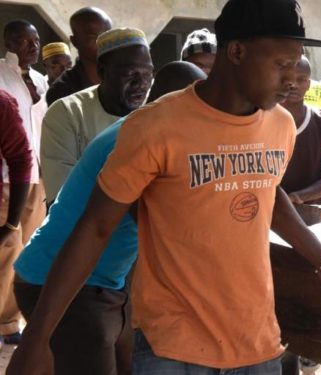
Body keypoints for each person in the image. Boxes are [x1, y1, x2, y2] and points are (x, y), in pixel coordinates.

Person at [7, 1, 321, 374]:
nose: (294, 78)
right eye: (282, 64)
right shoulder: (151, 129)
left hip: (254, 341)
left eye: (298, 63)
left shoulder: (280, 126)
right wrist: (39, 337)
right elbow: (97, 227)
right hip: (167, 344)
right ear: (236, 51)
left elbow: (266, 193)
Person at [12, 61, 205, 375]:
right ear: (170, 102)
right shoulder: (139, 139)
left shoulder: (148, 128)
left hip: (104, 282)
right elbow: (156, 228)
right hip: (63, 283)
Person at [41, 27, 153, 203]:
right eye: (131, 74)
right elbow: (64, 197)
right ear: (102, 71)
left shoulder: (157, 112)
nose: (141, 83)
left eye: (148, 74)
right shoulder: (66, 113)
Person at [0, 19, 48, 346]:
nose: (32, 46)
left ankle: (15, 317)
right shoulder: (2, 74)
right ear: (9, 43)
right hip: (8, 177)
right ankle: (4, 323)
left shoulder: (42, 80)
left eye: (35, 40)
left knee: (31, 248)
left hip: (38, 176)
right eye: (24, 40)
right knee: (7, 249)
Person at [280, 56, 321, 205]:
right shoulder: (261, 119)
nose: (293, 84)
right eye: (288, 77)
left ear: (308, 84)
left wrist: (295, 198)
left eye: (301, 79)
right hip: (270, 211)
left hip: (314, 213)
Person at [0, 90, 32, 348]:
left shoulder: (1, 103)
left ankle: (7, 323)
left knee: (6, 264)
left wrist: (11, 223)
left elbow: (20, 158)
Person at [46, 7, 112, 105]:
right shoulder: (62, 92)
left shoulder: (124, 77)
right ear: (74, 41)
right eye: (93, 37)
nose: (105, 42)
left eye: (109, 35)